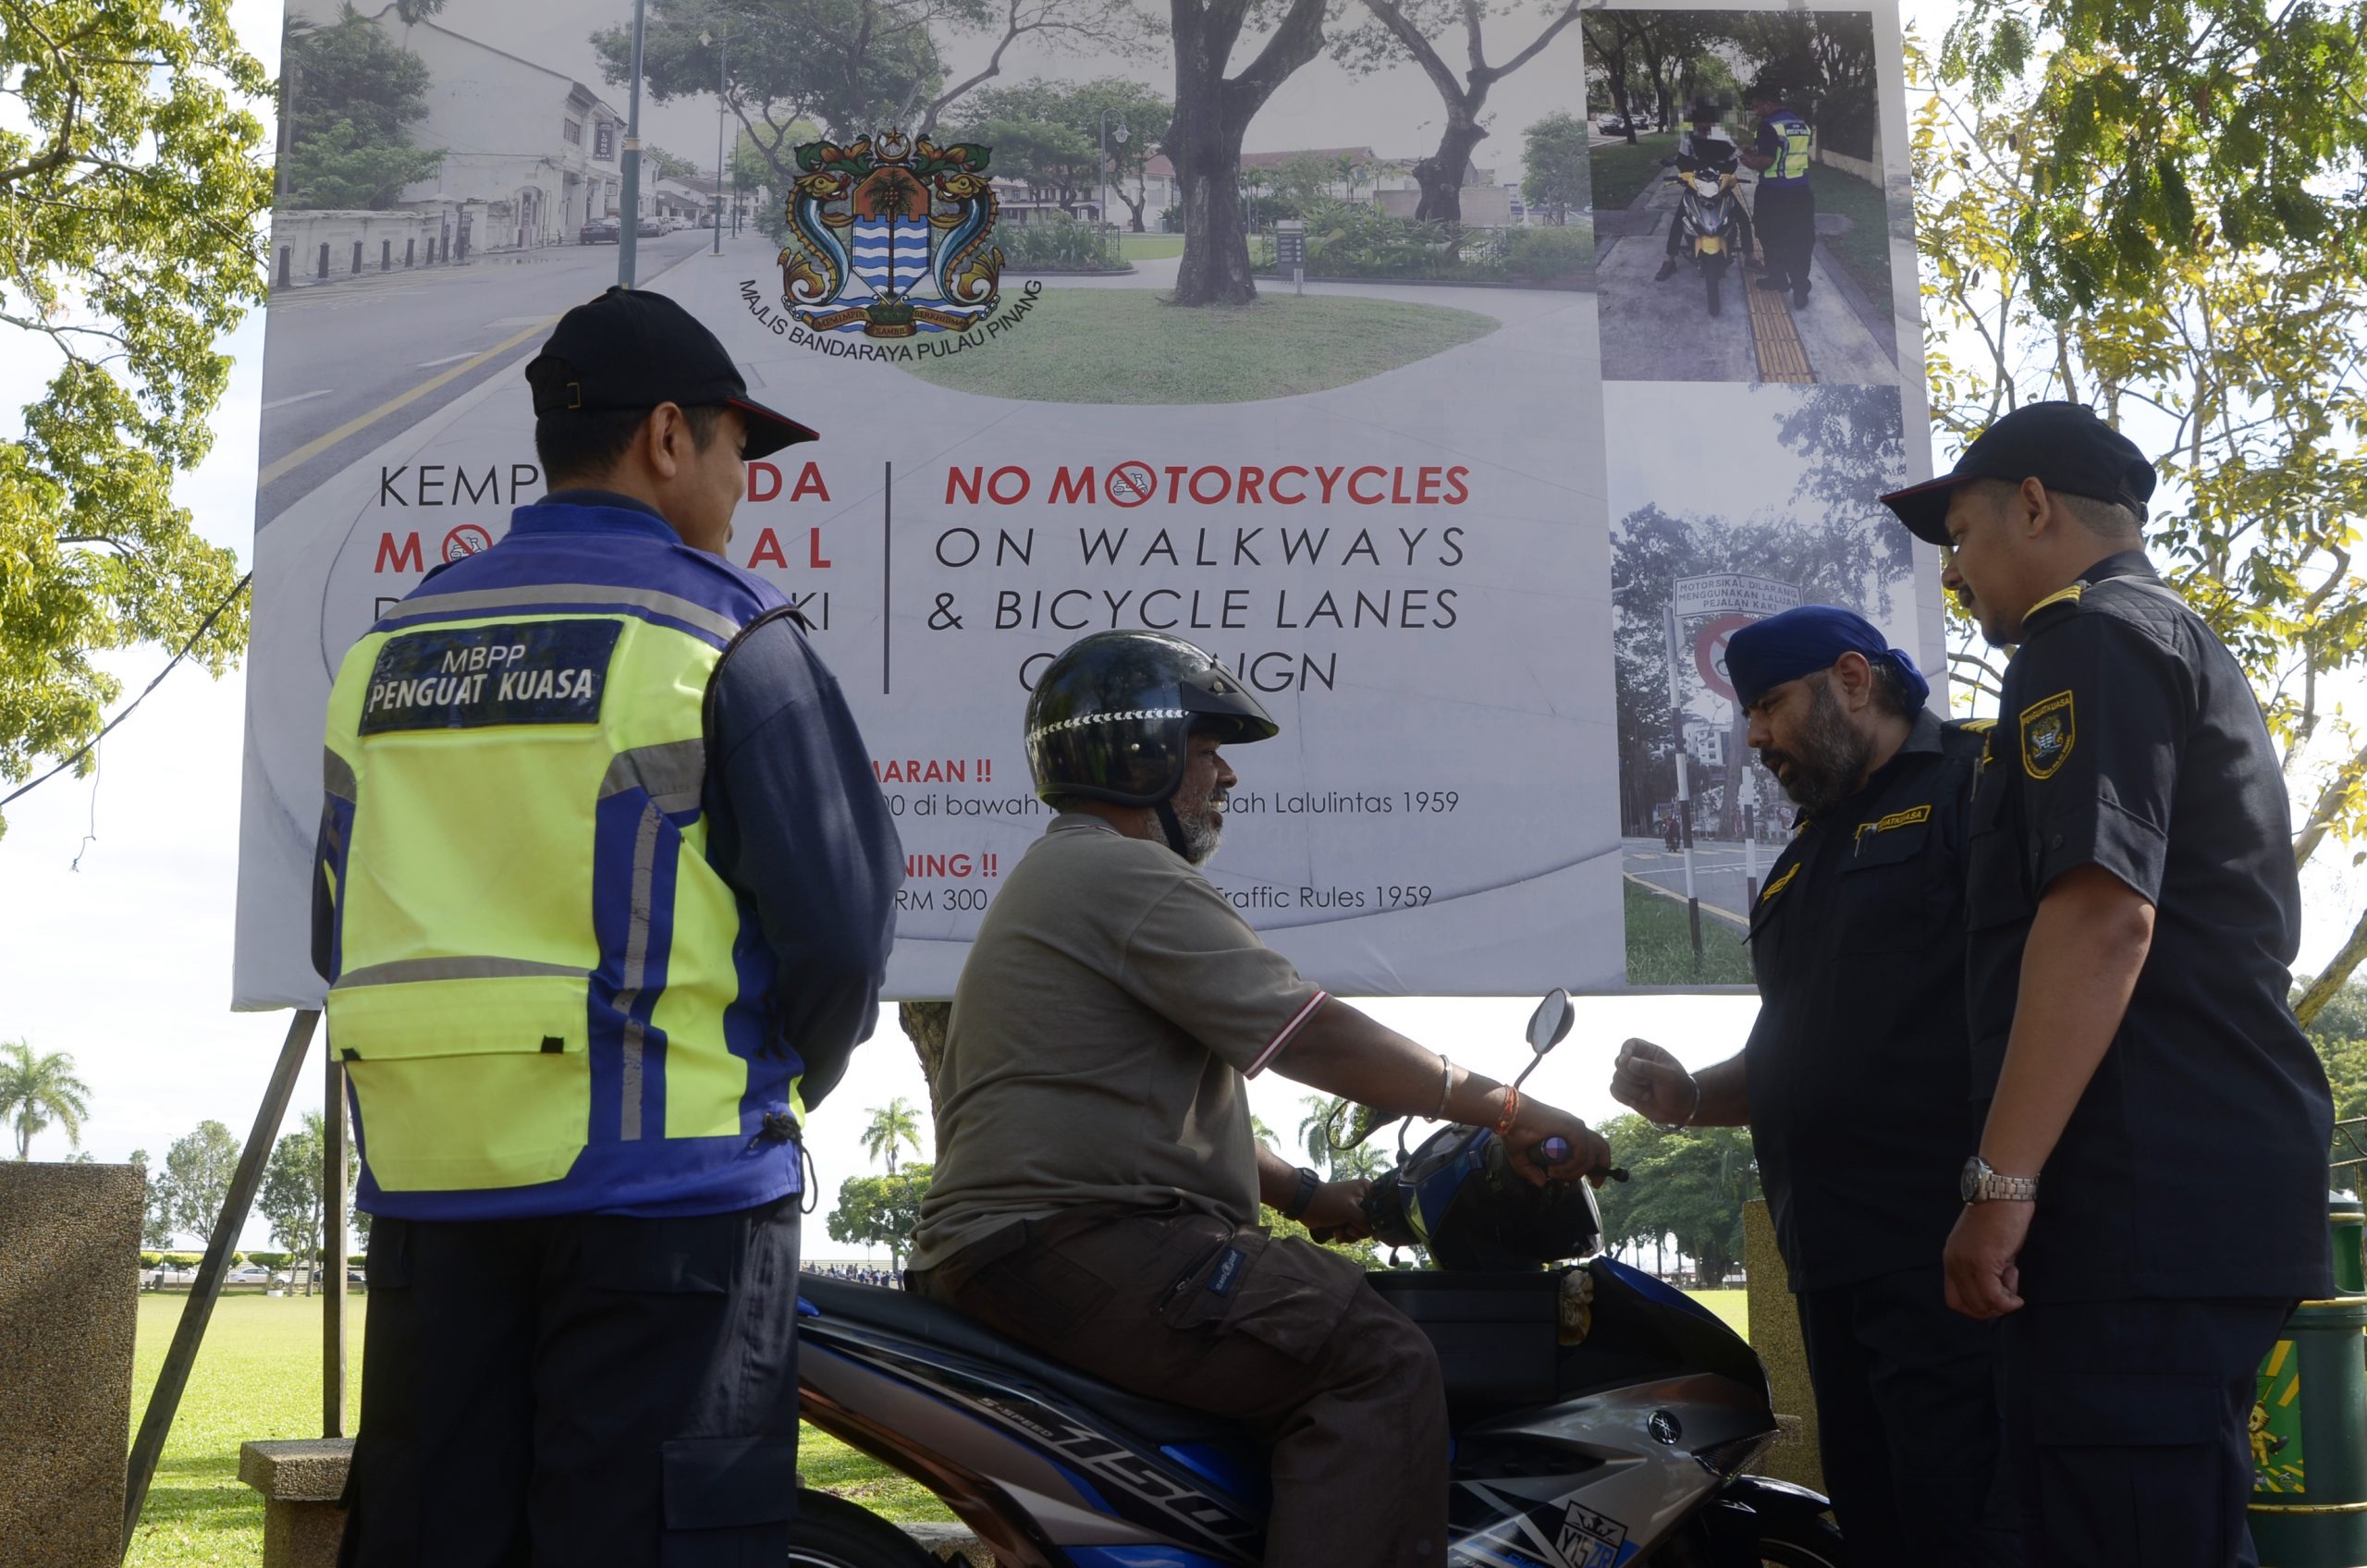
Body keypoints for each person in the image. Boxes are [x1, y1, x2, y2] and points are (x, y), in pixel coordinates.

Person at [313, 285, 904, 1566]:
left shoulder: (388, 656)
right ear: (670, 437)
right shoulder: (723, 634)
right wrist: (772, 1079)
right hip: (672, 1203)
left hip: (433, 1206)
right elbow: (842, 942)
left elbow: (336, 930)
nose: (747, 483)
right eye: (745, 447)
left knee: (434, 1539)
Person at [904, 630, 1613, 1568]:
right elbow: (1311, 1033)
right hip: (1080, 1241)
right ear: (1143, 753)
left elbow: (1137, 1106)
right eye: (1208, 750)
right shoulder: (1123, 873)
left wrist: (1314, 1199)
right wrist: (1509, 1110)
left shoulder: (1066, 875)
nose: (1226, 777)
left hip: (1037, 1247)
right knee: (1378, 1358)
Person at [1879, 400, 2336, 1568]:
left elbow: (2098, 919)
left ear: (2034, 505)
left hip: (2141, 1202)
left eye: (1965, 535)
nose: (1959, 574)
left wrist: (1999, 1182)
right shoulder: (2160, 636)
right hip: (2183, 1194)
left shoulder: (2087, 639)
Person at [1611, 606, 2018, 1568]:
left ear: (1850, 678)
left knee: (1974, 1524)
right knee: (1879, 1525)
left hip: (1953, 1249)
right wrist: (1687, 1096)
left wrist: (2006, 1190)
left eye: (1768, 703)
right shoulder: (1797, 857)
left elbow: (2046, 989)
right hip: (1832, 1262)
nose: (1753, 734)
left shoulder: (1978, 783)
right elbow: (1805, 1045)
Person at [1654, 100, 1757, 282]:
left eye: (1707, 122)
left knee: (1742, 218)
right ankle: (1669, 260)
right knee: (1679, 220)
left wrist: (1726, 177)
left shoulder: (1722, 136)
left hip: (1719, 186)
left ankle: (1750, 258)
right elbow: (1682, 161)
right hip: (1696, 186)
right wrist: (1686, 176)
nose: (1703, 125)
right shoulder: (1688, 138)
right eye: (1700, 122)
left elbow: (1733, 161)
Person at [1737, 76, 1816, 307]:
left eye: (1757, 104)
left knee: (1770, 235)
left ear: (1769, 103)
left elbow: (1767, 161)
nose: (1755, 109)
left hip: (1774, 194)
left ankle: (1778, 278)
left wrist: (1748, 161)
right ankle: (1801, 288)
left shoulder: (1768, 125)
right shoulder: (1799, 123)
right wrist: (1758, 148)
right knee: (1801, 240)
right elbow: (1788, 151)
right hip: (1801, 192)